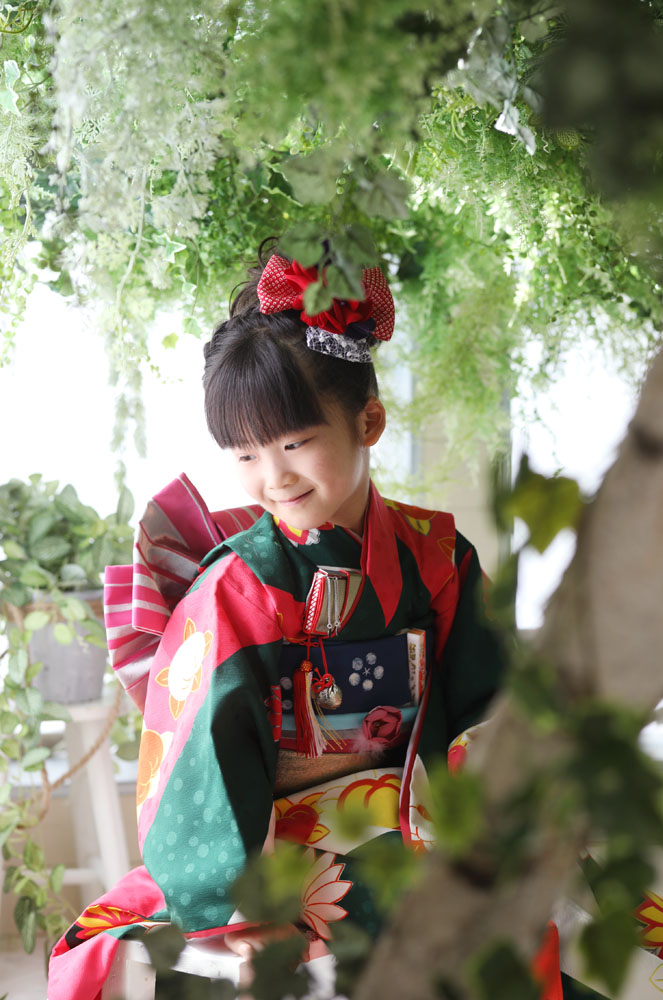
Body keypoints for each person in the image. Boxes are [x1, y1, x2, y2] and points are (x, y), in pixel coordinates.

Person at [48, 238, 556, 999]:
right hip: (275, 839)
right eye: (245, 455)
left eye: (294, 443)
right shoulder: (239, 589)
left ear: (369, 421)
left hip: (418, 809)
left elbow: (491, 701)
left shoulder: (438, 556)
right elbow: (206, 760)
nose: (273, 476)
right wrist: (245, 909)